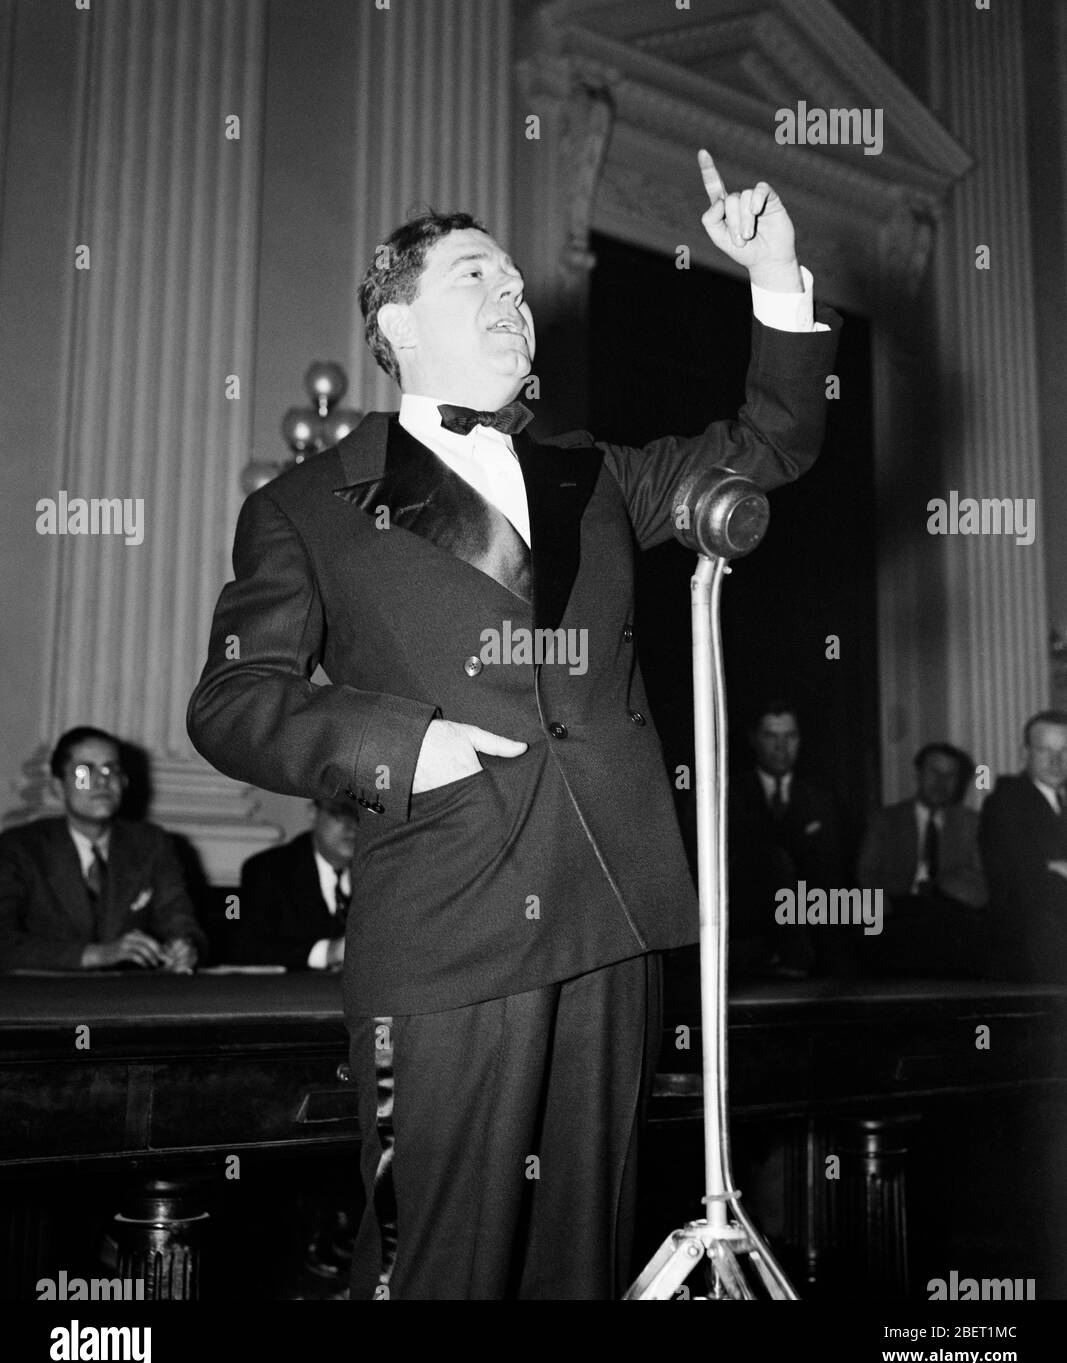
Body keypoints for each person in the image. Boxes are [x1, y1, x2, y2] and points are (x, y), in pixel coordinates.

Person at [187, 150, 841, 1299]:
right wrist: (400, 742)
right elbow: (231, 701)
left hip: (610, 909)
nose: (513, 299)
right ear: (394, 321)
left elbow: (770, 442)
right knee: (439, 1266)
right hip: (447, 935)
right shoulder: (302, 507)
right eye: (476, 279)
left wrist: (776, 271)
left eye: (519, 287)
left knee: (576, 1264)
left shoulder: (594, 472)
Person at [0, 726, 204, 972]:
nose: (102, 780)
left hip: (130, 999)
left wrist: (184, 948)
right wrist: (95, 955)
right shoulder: (20, 848)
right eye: (84, 771)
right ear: (58, 787)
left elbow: (180, 921)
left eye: (112, 769)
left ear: (124, 783)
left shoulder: (151, 844)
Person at [724, 700, 843, 976]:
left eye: (789, 736)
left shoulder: (821, 800)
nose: (782, 746)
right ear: (754, 739)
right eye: (771, 736)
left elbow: (831, 877)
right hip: (742, 946)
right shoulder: (726, 796)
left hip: (811, 948)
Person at [857, 742, 987, 975]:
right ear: (918, 775)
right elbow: (866, 874)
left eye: (950, 775)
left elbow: (980, 880)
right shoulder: (886, 820)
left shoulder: (971, 824)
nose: (941, 782)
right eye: (934, 772)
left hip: (950, 917)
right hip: (897, 914)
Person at [979, 710, 1067, 982]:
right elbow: (1027, 880)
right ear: (1024, 753)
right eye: (1044, 750)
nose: (1056, 761)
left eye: (1065, 751)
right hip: (1032, 954)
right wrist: (1051, 868)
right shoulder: (1005, 802)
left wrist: (1055, 865)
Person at [235, 798, 356, 969]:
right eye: (340, 814)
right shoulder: (268, 870)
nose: (353, 826)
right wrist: (327, 952)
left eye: (362, 817)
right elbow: (245, 949)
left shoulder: (381, 873)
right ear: (313, 812)